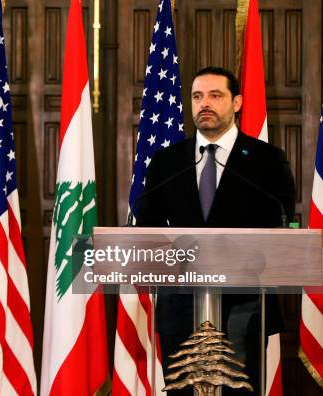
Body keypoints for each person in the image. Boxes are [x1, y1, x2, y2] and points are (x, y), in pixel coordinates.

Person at [137, 66, 295, 395]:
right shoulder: (168, 161)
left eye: (215, 95)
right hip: (180, 305)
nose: (204, 104)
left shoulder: (267, 160)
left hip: (245, 306)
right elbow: (147, 226)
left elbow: (280, 226)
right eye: (197, 96)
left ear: (236, 103)